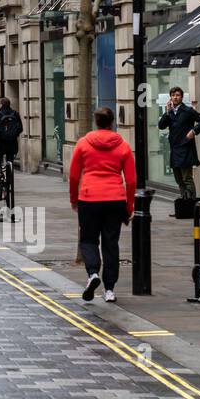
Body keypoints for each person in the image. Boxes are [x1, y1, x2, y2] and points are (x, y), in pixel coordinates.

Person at [69, 106, 136, 303]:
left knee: (89, 240)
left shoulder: (83, 143)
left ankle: (92, 273)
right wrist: (129, 206)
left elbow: (73, 176)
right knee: (111, 244)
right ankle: (109, 289)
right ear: (112, 122)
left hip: (89, 198)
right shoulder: (123, 145)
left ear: (96, 122)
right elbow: (131, 180)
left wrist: (74, 199)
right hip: (115, 199)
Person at [158, 86, 200, 201]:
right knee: (179, 179)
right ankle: (184, 204)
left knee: (187, 179)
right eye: (173, 95)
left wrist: (194, 131)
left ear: (181, 97)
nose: (175, 97)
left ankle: (192, 205)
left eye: (178, 95)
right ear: (170, 97)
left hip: (186, 148)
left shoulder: (188, 110)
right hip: (175, 150)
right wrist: (167, 112)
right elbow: (161, 126)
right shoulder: (170, 113)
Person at [0, 97, 24, 171]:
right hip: (12, 143)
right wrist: (14, 135)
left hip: (1, 143)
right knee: (10, 161)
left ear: (1, 105)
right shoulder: (15, 113)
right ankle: (9, 176)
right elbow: (20, 128)